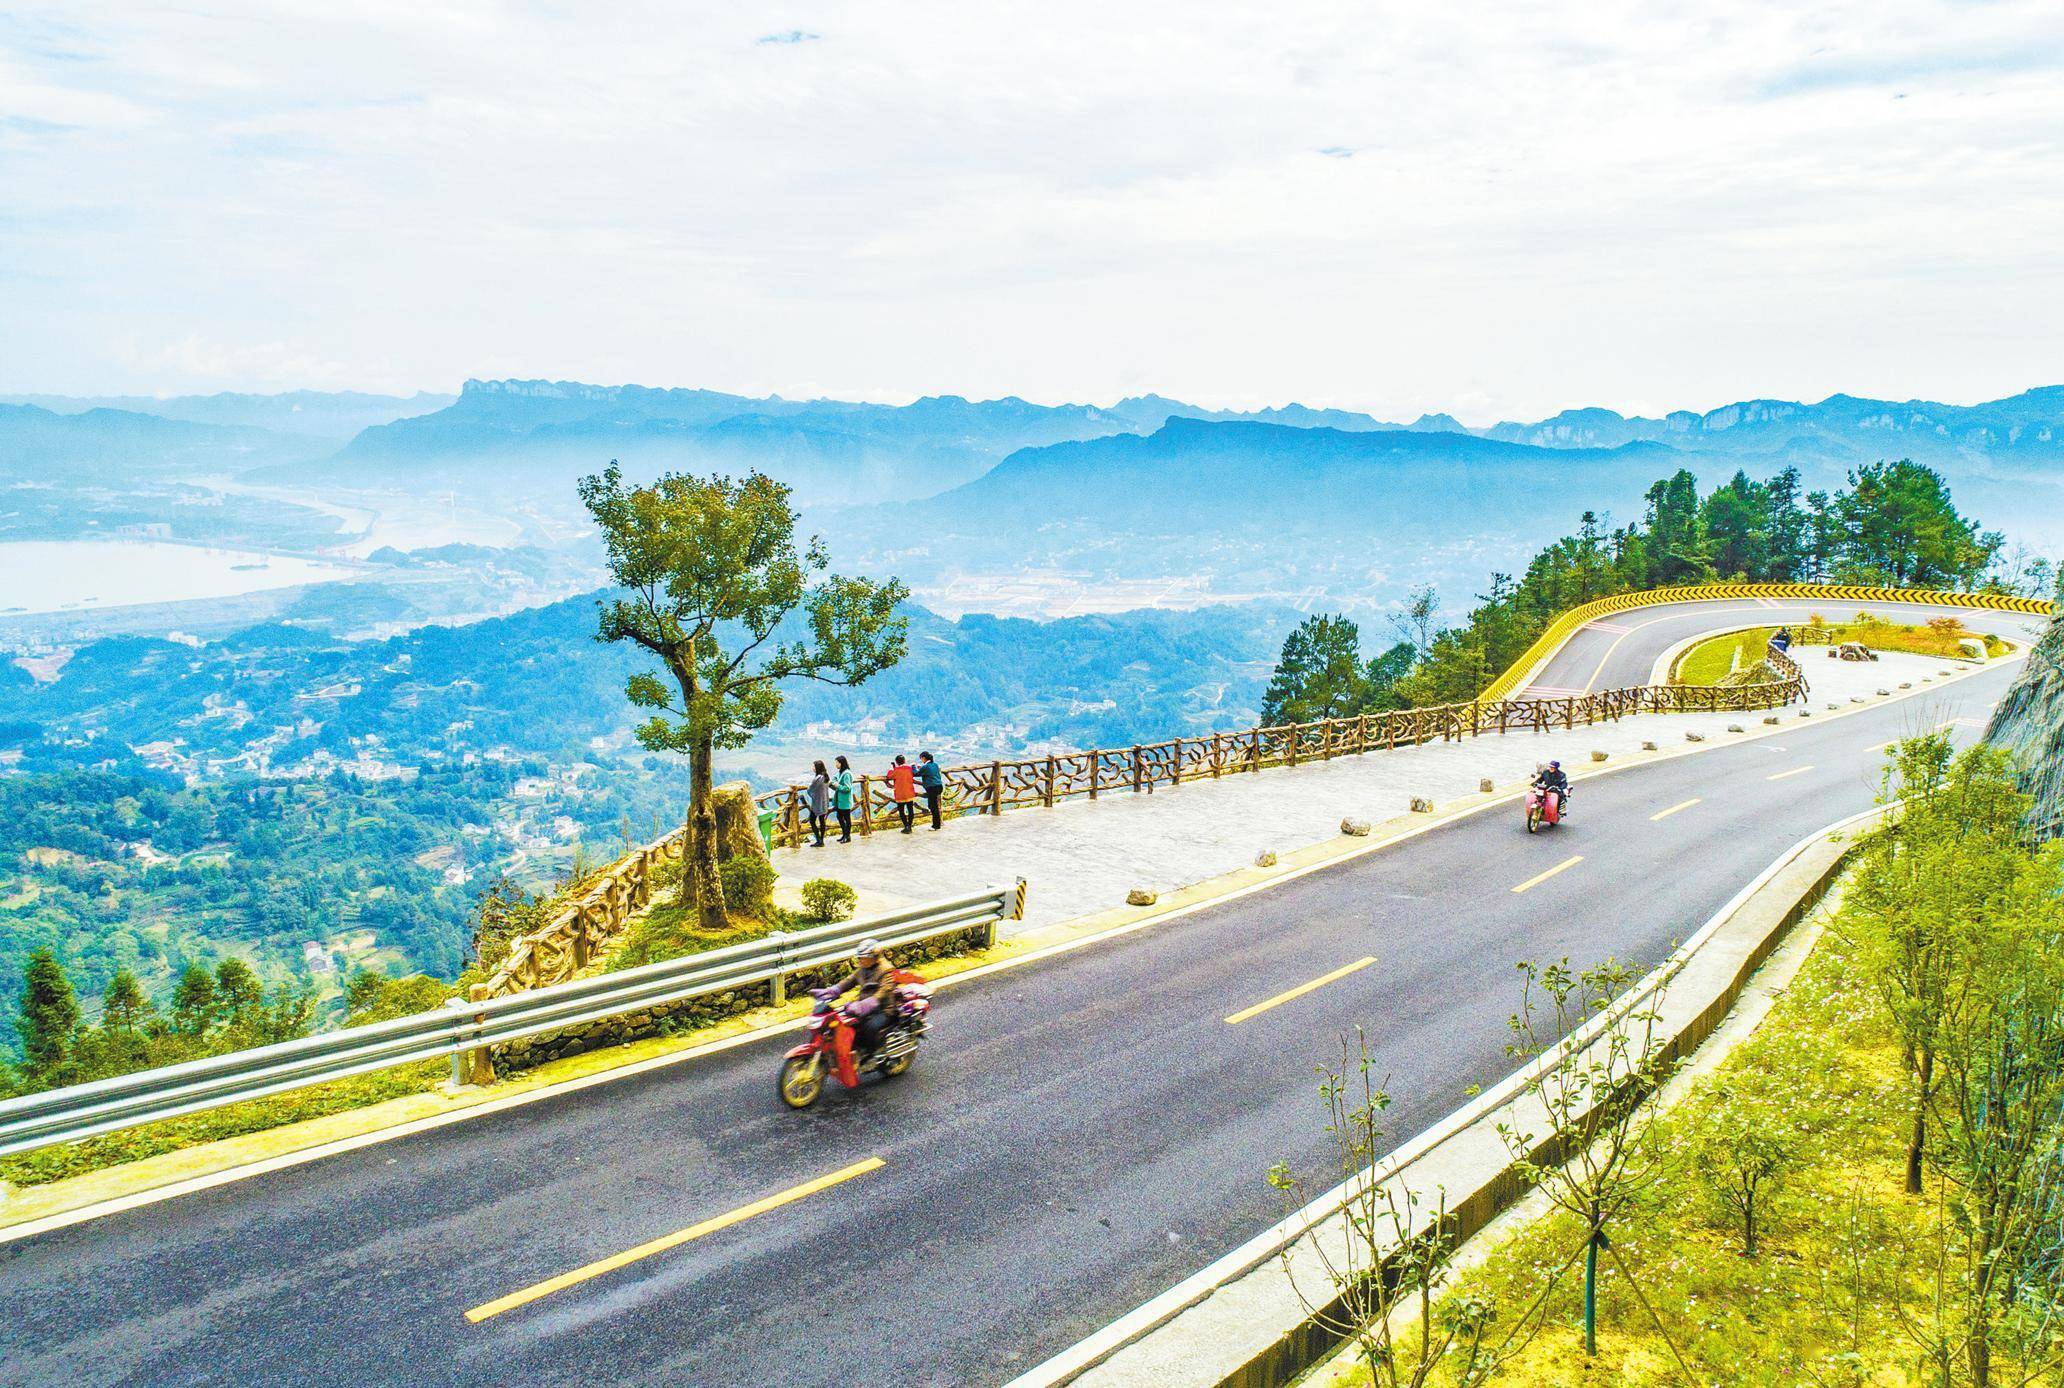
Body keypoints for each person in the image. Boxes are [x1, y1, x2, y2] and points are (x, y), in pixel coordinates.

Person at [819, 938, 899, 1051]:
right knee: (846, 1024)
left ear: (873, 957)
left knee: (870, 1027)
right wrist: (832, 990)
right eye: (860, 957)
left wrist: (865, 1004)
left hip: (883, 1010)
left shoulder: (886, 971)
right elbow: (849, 981)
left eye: (863, 957)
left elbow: (883, 991)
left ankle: (874, 1055)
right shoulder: (863, 969)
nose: (860, 959)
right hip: (864, 1007)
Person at [886, 754, 918, 833]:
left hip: (900, 793)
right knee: (910, 810)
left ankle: (906, 826)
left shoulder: (896, 770)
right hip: (909, 792)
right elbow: (914, 772)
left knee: (901, 811)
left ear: (896, 762)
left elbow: (889, 776)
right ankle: (909, 826)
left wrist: (891, 767)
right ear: (904, 761)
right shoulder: (909, 768)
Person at [806, 760, 831, 847]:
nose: (812, 768)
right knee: (822, 821)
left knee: (812, 820)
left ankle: (819, 840)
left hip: (817, 803)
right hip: (824, 802)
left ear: (817, 767)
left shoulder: (818, 778)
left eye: (813, 766)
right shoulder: (825, 776)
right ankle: (821, 840)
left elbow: (810, 789)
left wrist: (813, 796)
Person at [918, 751, 945, 830]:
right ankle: (938, 823)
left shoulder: (925, 767)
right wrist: (921, 768)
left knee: (933, 807)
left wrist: (913, 767)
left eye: (921, 759)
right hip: (939, 786)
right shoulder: (935, 764)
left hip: (932, 788)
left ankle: (936, 825)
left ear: (923, 758)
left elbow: (916, 773)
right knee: (934, 805)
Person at [833, 755, 856, 842]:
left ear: (841, 763)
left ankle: (847, 836)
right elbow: (834, 778)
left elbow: (847, 788)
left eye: (836, 763)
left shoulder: (847, 774)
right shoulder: (840, 772)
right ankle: (844, 835)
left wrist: (838, 786)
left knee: (847, 819)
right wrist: (835, 782)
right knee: (839, 817)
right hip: (840, 801)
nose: (835, 765)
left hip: (845, 800)